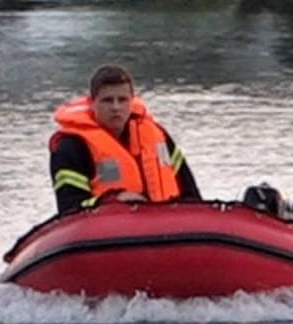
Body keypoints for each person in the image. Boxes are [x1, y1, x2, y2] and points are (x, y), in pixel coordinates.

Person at [48, 64, 202, 214]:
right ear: (92, 103)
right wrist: (114, 201)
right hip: (108, 230)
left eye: (122, 100)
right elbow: (69, 208)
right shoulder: (71, 148)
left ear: (132, 101)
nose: (116, 107)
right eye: (107, 100)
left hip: (168, 224)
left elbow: (191, 193)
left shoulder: (158, 136)